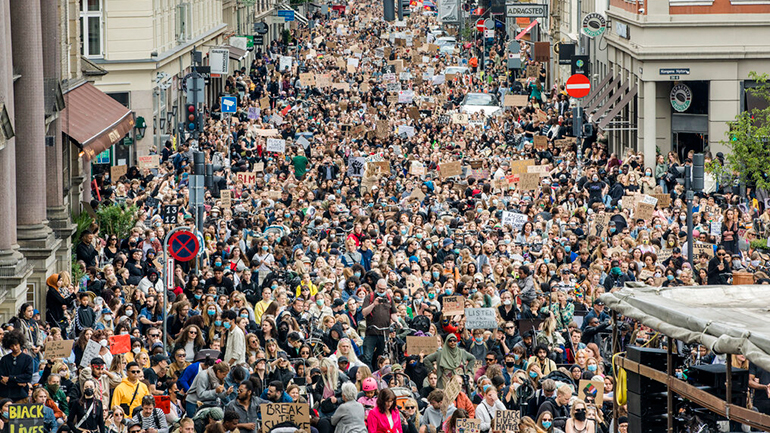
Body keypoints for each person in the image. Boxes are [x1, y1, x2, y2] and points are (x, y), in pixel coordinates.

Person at [361, 279, 400, 367]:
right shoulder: (369, 297)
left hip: (384, 333)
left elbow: (393, 313)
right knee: (367, 356)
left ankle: (378, 373)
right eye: (380, 288)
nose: (382, 291)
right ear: (376, 287)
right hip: (371, 332)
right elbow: (364, 313)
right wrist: (374, 304)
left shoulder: (389, 298)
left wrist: (397, 322)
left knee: (381, 357)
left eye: (383, 289)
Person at [0, 330, 33, 402]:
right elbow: (2, 377)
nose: (15, 348)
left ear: (20, 343)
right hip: (5, 395)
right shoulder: (4, 359)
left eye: (16, 345)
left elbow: (28, 376)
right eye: (12, 346)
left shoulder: (27, 359)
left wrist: (10, 378)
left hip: (21, 395)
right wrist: (17, 381)